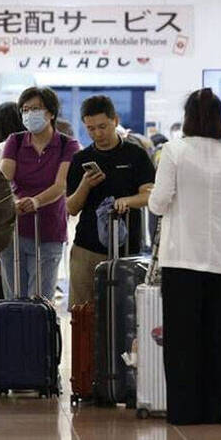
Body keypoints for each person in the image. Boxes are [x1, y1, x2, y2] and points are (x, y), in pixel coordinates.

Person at [148, 88, 221, 425]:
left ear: (189, 116)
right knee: (217, 336)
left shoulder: (174, 151)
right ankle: (215, 409)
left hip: (181, 258)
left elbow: (159, 202)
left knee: (182, 339)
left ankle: (184, 411)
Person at [65, 95, 155, 310]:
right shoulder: (80, 159)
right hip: (87, 248)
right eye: (91, 128)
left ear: (115, 120)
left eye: (102, 126)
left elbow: (150, 195)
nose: (97, 133)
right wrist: (85, 185)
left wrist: (127, 201)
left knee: (127, 314)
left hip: (127, 250)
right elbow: (71, 207)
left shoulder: (136, 155)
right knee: (84, 313)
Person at [0, 87, 79, 301]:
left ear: (51, 113)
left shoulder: (67, 145)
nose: (29, 114)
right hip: (13, 230)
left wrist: (36, 201)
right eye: (25, 110)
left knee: (40, 300)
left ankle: (38, 335)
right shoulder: (15, 141)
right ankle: (13, 335)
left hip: (49, 231)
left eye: (35, 109)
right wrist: (13, 200)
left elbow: (60, 185)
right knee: (13, 299)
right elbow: (5, 177)